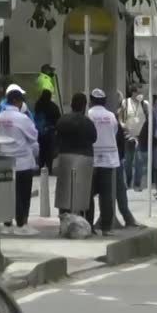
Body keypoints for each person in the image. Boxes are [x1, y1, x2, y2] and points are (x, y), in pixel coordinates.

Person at [0, 87, 39, 234]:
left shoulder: (0, 116)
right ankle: (22, 224)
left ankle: (7, 224)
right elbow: (33, 136)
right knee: (23, 194)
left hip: (5, 160)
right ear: (17, 101)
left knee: (6, 193)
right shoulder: (22, 118)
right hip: (22, 162)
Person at [54, 93, 96, 221]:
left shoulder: (62, 120)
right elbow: (94, 138)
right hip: (84, 159)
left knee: (64, 194)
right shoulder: (88, 123)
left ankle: (64, 222)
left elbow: (56, 137)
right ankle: (88, 223)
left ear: (72, 104)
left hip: (65, 158)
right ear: (84, 106)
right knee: (85, 194)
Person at [86, 89, 120, 236]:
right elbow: (115, 132)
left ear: (91, 101)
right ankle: (106, 227)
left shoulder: (89, 115)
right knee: (106, 196)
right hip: (108, 160)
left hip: (92, 160)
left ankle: (89, 226)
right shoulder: (111, 116)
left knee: (89, 195)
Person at [119, 87, 148, 190]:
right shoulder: (125, 103)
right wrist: (123, 126)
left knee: (139, 161)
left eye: (141, 92)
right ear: (133, 93)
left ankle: (137, 184)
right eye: (138, 92)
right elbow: (120, 117)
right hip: (128, 137)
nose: (140, 94)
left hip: (140, 137)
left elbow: (149, 119)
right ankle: (128, 181)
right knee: (128, 162)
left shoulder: (145, 104)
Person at [33, 89, 61, 175]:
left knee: (41, 151)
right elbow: (58, 120)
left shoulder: (38, 105)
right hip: (50, 132)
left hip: (40, 133)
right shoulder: (54, 107)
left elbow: (36, 117)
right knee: (49, 152)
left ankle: (41, 168)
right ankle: (49, 169)